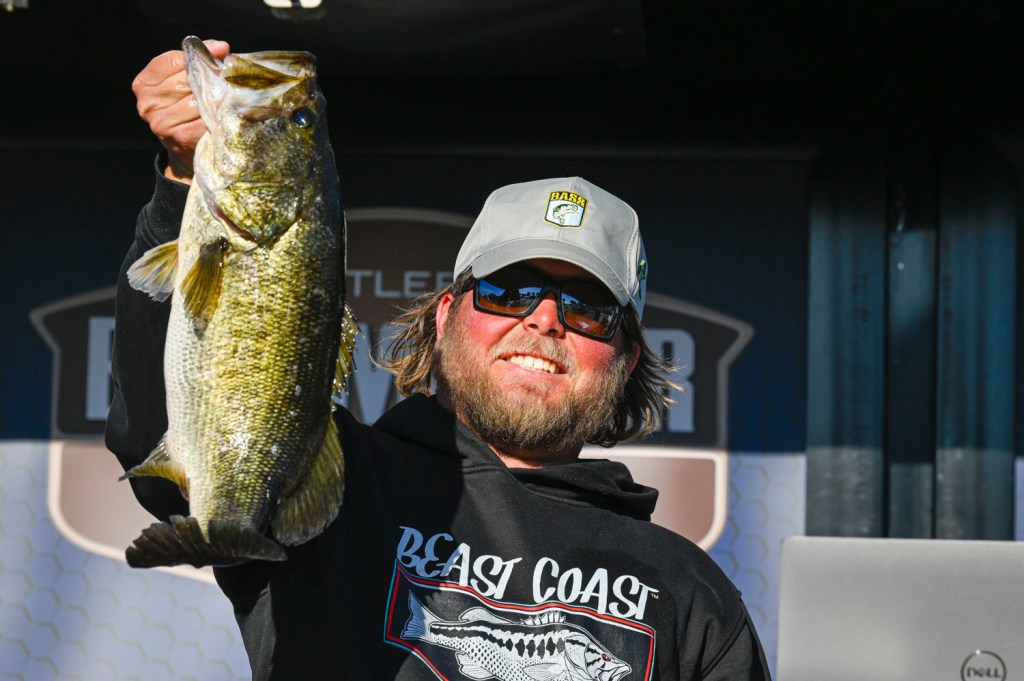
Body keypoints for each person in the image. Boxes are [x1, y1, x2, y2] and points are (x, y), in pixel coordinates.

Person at [106, 39, 772, 680]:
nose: (544, 319)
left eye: (588, 308)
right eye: (510, 291)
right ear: (446, 314)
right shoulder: (331, 480)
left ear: (626, 359)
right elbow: (167, 445)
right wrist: (186, 177)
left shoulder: (693, 597)